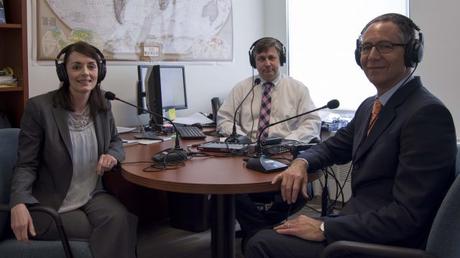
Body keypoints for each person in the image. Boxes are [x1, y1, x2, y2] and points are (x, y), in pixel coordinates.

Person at [245, 13, 457, 258]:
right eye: (366, 47)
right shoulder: (371, 105)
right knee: (270, 233)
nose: (372, 56)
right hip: (359, 222)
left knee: (260, 242)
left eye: (385, 46)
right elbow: (332, 147)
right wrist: (301, 162)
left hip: (387, 243)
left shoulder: (427, 114)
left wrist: (325, 226)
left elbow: (408, 218)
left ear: (412, 53)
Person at [9, 41, 138, 258]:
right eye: (76, 66)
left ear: (100, 71)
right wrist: (18, 203)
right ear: (64, 72)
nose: (85, 73)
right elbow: (26, 164)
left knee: (121, 219)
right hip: (53, 200)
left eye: (91, 66)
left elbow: (116, 140)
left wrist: (112, 156)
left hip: (92, 194)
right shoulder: (39, 108)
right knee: (103, 231)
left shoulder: (103, 104)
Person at [217, 37, 322, 249]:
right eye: (261, 58)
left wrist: (289, 142)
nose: (267, 63)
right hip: (247, 156)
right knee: (227, 192)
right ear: (254, 62)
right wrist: (240, 137)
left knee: (302, 190)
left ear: (280, 59)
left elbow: (312, 121)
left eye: (271, 57)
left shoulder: (297, 89)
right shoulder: (242, 88)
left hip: (283, 156)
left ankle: (256, 233)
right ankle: (263, 234)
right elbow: (224, 118)